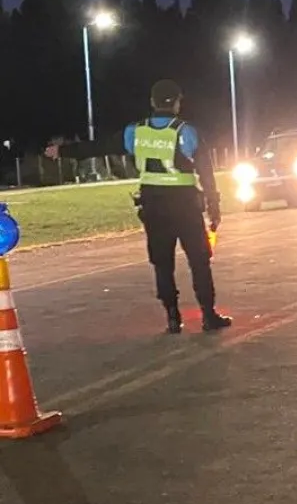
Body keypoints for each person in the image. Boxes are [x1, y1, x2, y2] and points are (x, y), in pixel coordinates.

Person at [48, 80, 231, 333]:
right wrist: (214, 206)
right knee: (199, 261)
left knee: (162, 263)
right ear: (177, 103)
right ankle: (208, 316)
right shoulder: (187, 132)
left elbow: (100, 146)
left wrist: (63, 151)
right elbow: (206, 174)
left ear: (152, 102)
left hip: (153, 204)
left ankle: (172, 317)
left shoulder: (136, 132)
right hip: (185, 205)